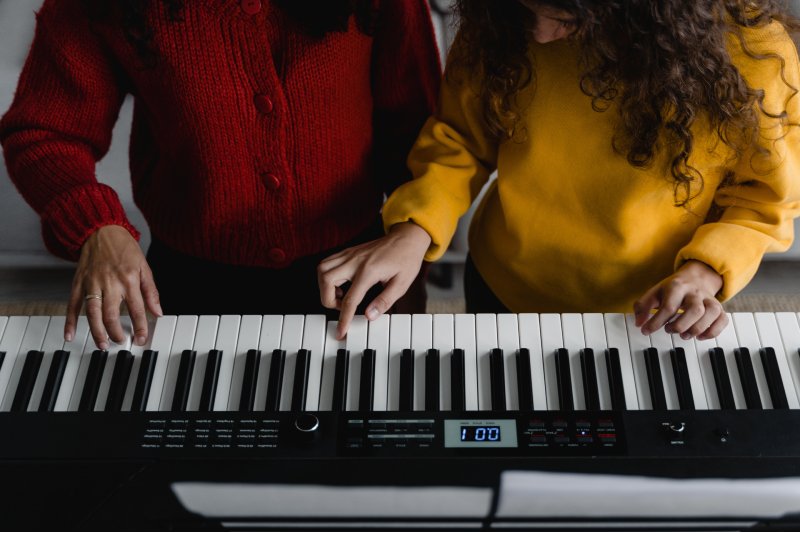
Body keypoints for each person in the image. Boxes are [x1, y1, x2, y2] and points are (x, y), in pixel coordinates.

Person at [319, 0, 800, 340]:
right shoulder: (503, 21)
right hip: (503, 282)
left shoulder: (751, 55)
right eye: (529, 10)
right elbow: (462, 138)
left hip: (647, 307)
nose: (539, 34)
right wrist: (415, 228)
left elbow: (764, 198)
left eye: (566, 17)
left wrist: (705, 273)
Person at [0, 0, 440, 349]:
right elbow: (44, 131)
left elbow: (419, 131)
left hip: (364, 266)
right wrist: (96, 226)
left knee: (369, 443)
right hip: (191, 280)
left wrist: (413, 229)